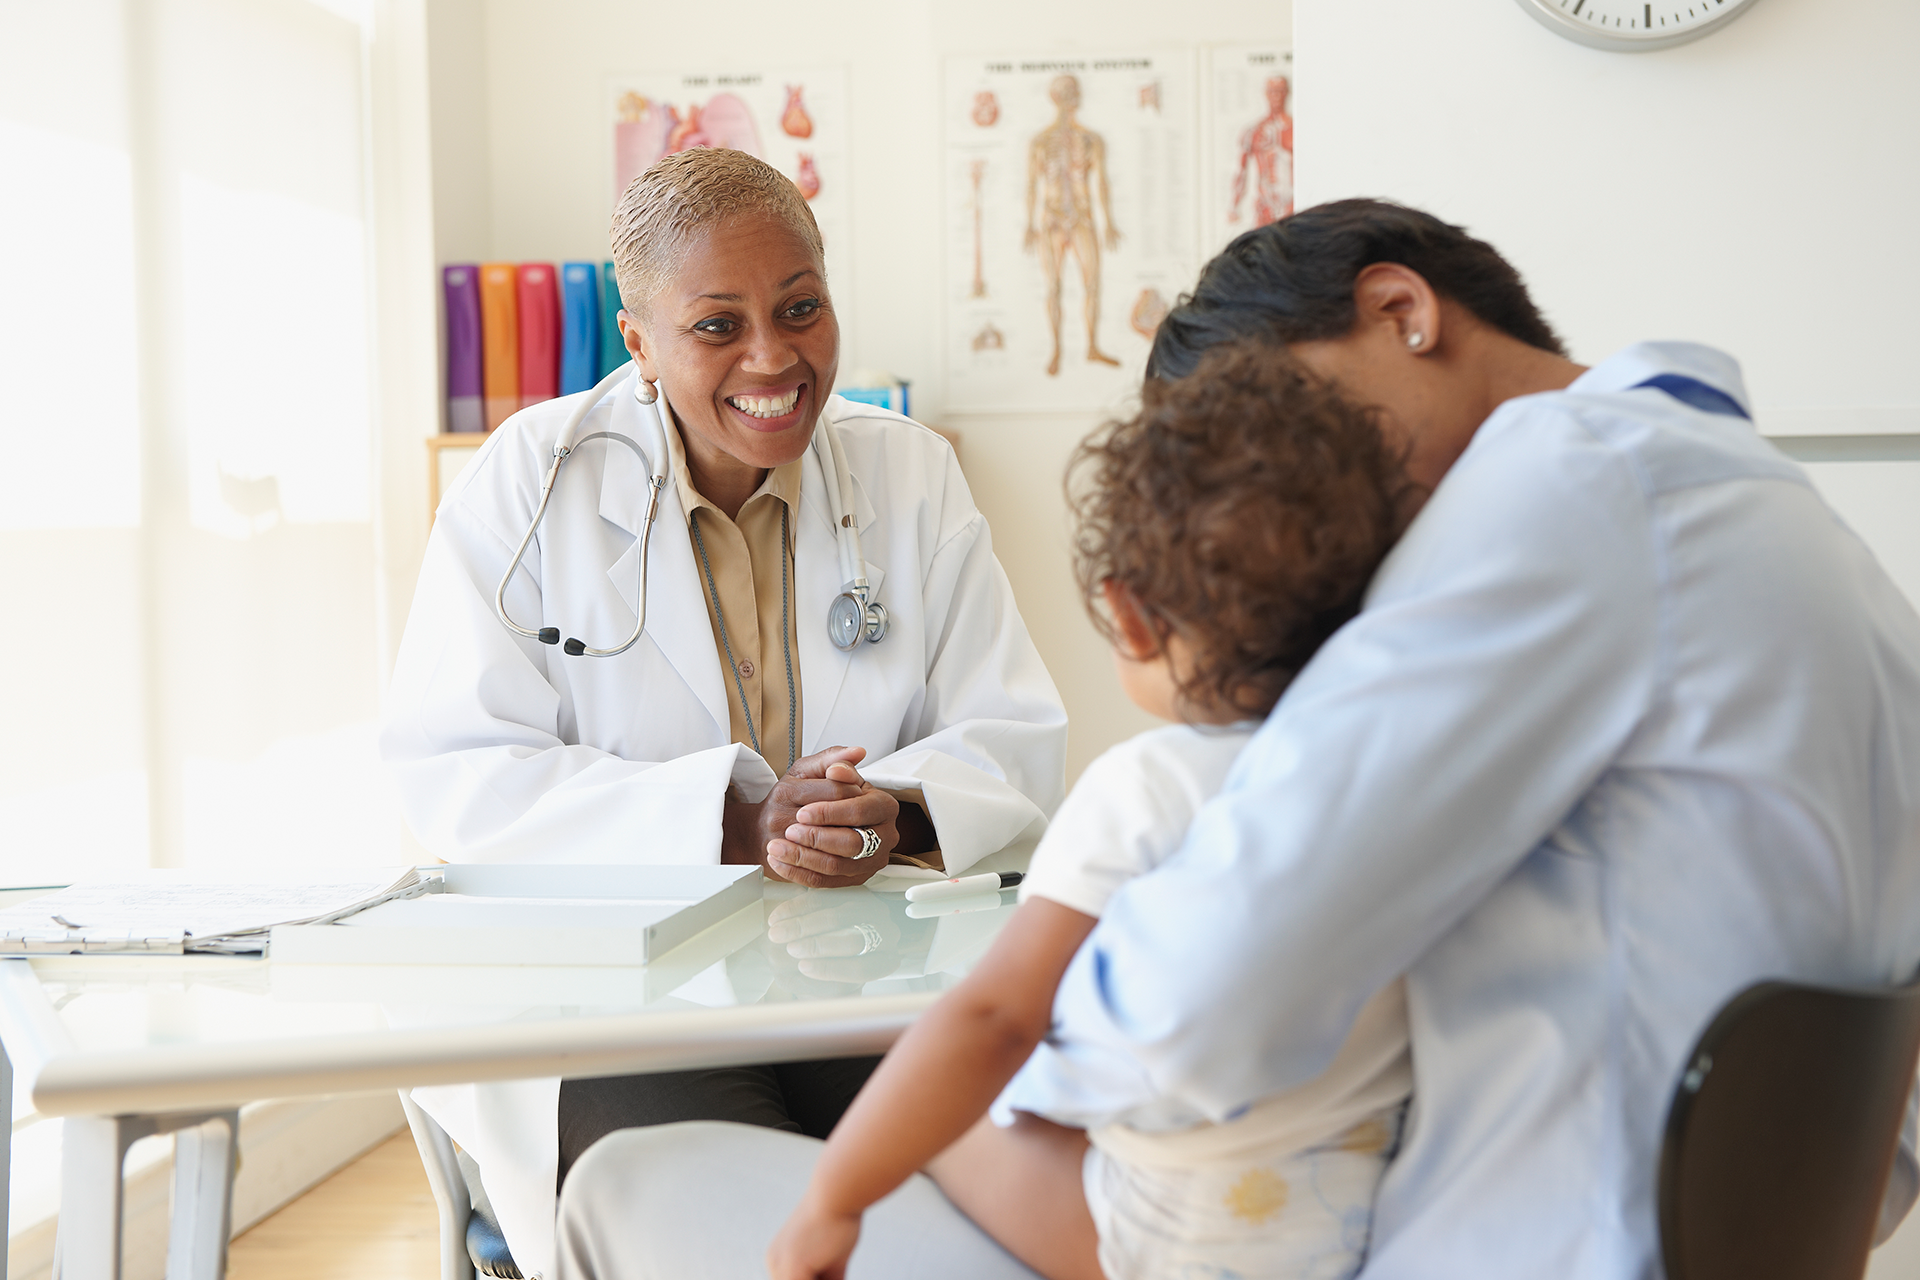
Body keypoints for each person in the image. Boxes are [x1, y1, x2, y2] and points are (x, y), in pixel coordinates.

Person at [548, 198, 1920, 1280]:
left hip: (1487, 1242)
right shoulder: (1768, 507)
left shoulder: (1558, 497)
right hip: (1653, 1224)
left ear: (1401, 311)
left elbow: (1206, 1001)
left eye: (1298, 435)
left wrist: (1003, 1067)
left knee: (634, 1171)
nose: (1307, 504)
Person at [380, 147, 1067, 1278]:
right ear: (638, 337)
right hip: (614, 996)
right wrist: (739, 821)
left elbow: (1012, 728)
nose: (773, 356)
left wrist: (887, 809)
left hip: (867, 972)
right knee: (732, 1221)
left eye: (802, 307)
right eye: (717, 325)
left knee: (987, 1201)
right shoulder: (527, 480)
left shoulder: (911, 473)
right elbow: (457, 771)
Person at [763, 341, 1422, 1280]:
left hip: (1168, 1240)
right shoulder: (1403, 775)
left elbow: (992, 1021)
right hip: (1346, 1222)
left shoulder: (1147, 788)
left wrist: (833, 1205)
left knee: (941, 1092)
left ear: (1131, 615)